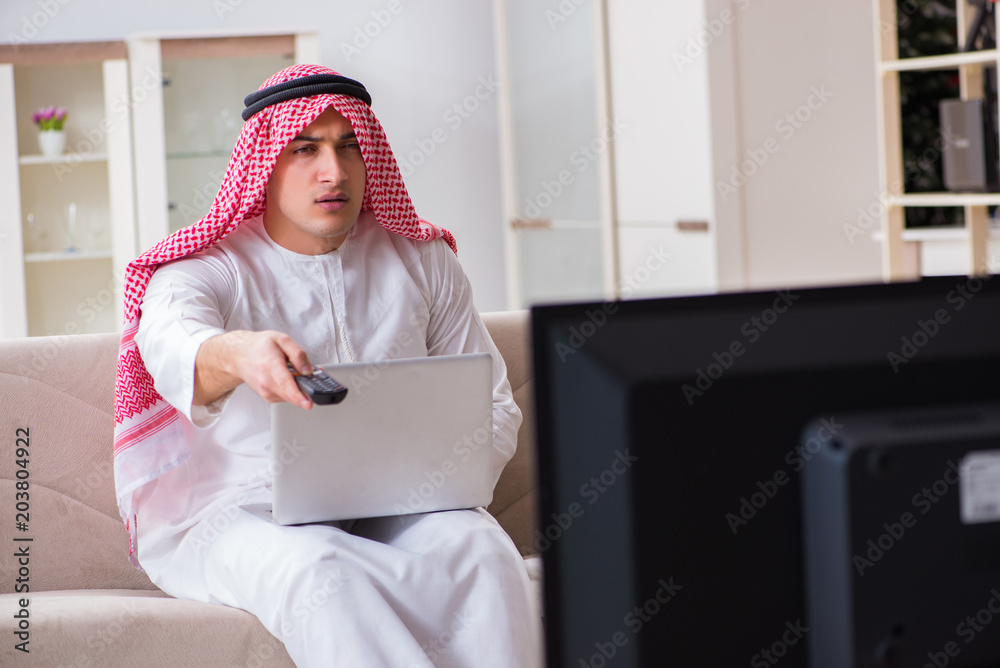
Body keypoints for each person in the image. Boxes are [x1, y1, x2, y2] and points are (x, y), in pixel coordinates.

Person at [112, 64, 543, 667]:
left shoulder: (422, 260)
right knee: (323, 571)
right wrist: (241, 353)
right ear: (265, 162)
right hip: (244, 510)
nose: (333, 171)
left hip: (402, 500)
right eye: (305, 149)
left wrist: (439, 478)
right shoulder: (206, 269)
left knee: (484, 552)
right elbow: (176, 347)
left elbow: (492, 404)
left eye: (348, 147)